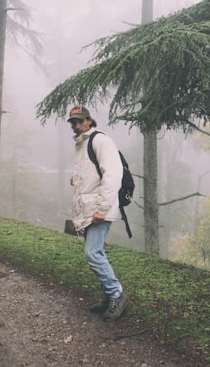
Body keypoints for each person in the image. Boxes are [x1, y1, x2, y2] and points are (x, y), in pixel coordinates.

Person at [67, 105, 129, 322]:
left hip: (99, 209)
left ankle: (116, 294)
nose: (76, 125)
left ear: (89, 120)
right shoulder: (82, 144)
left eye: (80, 121)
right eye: (73, 122)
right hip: (90, 208)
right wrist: (77, 178)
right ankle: (107, 296)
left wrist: (102, 209)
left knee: (92, 253)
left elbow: (112, 175)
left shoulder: (100, 141)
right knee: (97, 252)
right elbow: (91, 174)